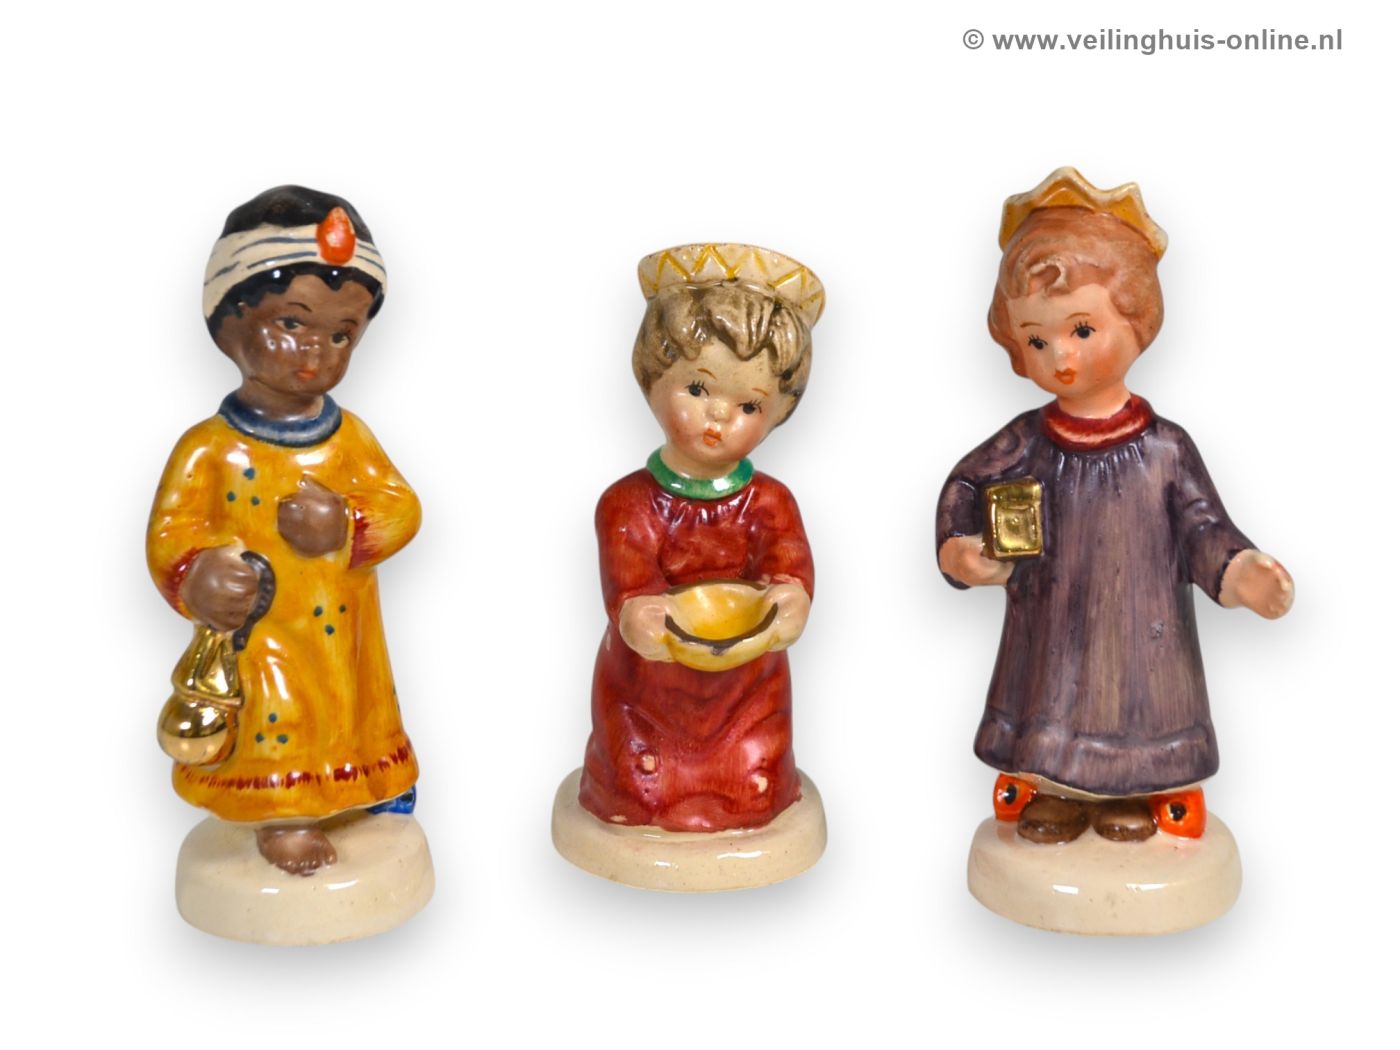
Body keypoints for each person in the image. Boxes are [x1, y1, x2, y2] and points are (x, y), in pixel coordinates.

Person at [936, 169, 1293, 844]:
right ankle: (1057, 793)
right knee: (1050, 702)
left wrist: (1239, 571)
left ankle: (1130, 791)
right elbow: (966, 486)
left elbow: (1202, 526)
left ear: (1137, 318)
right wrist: (960, 550)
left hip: (1142, 638)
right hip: (1052, 630)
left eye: (1081, 329)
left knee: (1136, 709)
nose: (1060, 357)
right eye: (1037, 340)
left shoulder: (1165, 449)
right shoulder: (1025, 442)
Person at [148, 186, 421, 874]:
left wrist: (348, 523)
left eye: (341, 334)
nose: (316, 352)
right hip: (264, 636)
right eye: (292, 324)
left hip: (344, 637)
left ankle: (359, 787)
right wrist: (199, 576)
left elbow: (401, 506)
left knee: (349, 711)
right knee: (281, 717)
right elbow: (171, 535)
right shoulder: (209, 450)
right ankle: (284, 812)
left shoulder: (349, 438)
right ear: (228, 324)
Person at [578, 245, 822, 832]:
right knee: (640, 781)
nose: (718, 417)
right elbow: (628, 577)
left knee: (753, 777)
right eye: (697, 389)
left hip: (747, 688)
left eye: (748, 404)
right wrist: (638, 613)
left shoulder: (770, 501)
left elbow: (788, 560)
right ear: (651, 378)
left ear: (780, 410)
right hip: (648, 690)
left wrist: (791, 597)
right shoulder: (627, 502)